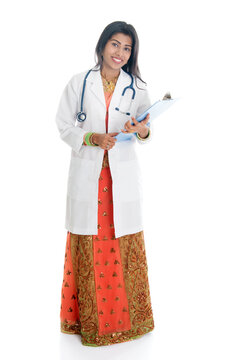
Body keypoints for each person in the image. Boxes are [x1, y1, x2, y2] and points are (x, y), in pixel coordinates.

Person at [55, 21, 155, 347]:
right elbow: (63, 125)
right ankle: (87, 321)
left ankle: (130, 322)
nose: (120, 53)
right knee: (91, 239)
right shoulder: (79, 83)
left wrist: (140, 130)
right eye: (115, 45)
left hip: (120, 177)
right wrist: (90, 137)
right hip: (90, 177)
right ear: (102, 46)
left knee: (119, 238)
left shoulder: (136, 88)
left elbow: (145, 129)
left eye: (127, 48)